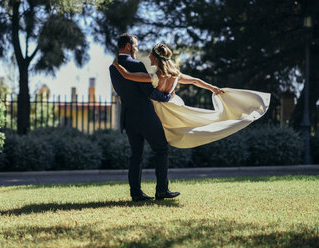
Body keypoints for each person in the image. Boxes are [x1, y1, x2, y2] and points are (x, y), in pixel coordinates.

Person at [112, 43, 271, 149]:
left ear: (156, 58)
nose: (148, 58)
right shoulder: (175, 75)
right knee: (200, 122)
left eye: (151, 55)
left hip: (162, 113)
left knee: (176, 135)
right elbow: (195, 81)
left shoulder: (153, 77)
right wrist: (213, 88)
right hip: (174, 107)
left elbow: (127, 76)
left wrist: (116, 64)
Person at [109, 34, 180, 202]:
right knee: (161, 149)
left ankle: (136, 193)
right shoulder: (136, 65)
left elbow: (121, 93)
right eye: (136, 45)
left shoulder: (113, 67)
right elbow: (148, 92)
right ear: (127, 46)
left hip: (128, 118)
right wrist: (167, 97)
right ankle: (162, 190)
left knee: (136, 155)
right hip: (146, 116)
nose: (137, 48)